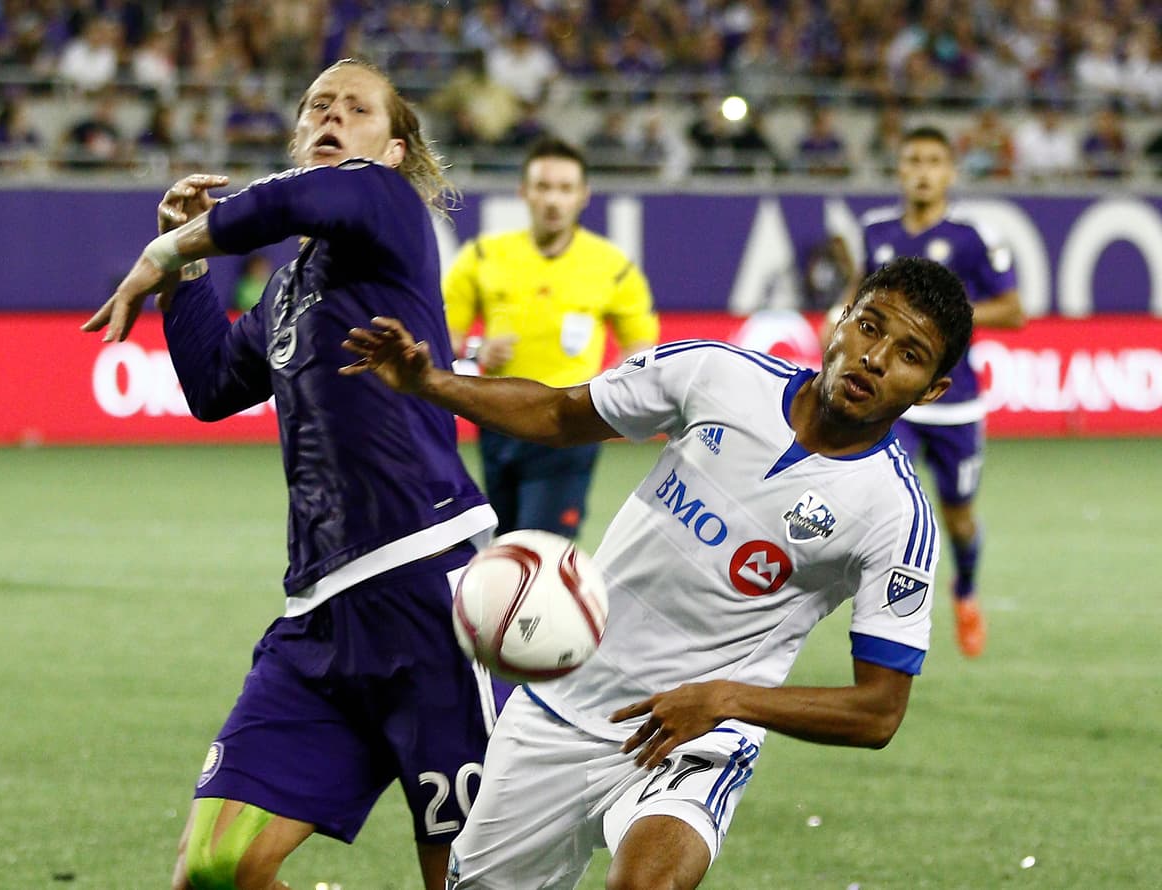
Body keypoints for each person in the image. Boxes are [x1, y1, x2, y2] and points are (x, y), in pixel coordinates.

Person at [339, 254, 974, 890]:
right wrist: (430, 383)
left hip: (694, 736)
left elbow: (878, 712)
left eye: (909, 355)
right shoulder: (718, 374)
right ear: (841, 320)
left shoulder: (894, 514)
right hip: (559, 704)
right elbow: (560, 414)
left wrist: (727, 700)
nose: (875, 358)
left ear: (932, 390)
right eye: (869, 327)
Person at [82, 58, 506, 890]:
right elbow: (212, 387)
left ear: (394, 149)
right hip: (318, 617)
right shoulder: (287, 290)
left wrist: (163, 248)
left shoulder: (387, 201)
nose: (331, 116)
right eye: (317, 105)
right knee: (214, 870)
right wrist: (188, 275)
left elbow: (282, 204)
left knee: (466, 878)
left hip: (427, 591)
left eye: (356, 108)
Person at [826, 125, 1024, 657]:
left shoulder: (972, 237)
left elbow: (1014, 310)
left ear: (950, 173)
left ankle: (966, 590)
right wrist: (841, 321)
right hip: (894, 401)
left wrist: (936, 319)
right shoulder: (875, 230)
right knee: (882, 499)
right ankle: (881, 609)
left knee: (958, 518)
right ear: (899, 170)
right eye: (913, 160)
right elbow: (861, 294)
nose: (922, 172)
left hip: (956, 403)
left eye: (934, 161)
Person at [441, 138, 658, 540]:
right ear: (524, 192)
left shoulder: (612, 266)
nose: (553, 200)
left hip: (567, 423)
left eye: (565, 188)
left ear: (583, 195)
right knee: (504, 544)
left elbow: (641, 347)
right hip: (498, 417)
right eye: (543, 187)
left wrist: (601, 392)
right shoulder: (484, 256)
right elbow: (444, 333)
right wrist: (477, 349)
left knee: (541, 546)